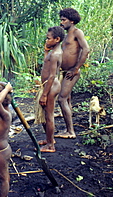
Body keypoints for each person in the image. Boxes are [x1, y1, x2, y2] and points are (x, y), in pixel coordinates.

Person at [55, 8, 90, 139]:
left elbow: (86, 49)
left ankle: (70, 131)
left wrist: (76, 68)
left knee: (62, 99)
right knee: (67, 99)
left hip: (71, 72)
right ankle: (67, 128)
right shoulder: (65, 36)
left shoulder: (77, 32)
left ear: (72, 21)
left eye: (64, 20)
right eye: (61, 19)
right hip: (64, 72)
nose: (61, 22)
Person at [35, 26, 64, 152]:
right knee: (44, 114)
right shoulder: (52, 53)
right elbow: (46, 63)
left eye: (48, 38)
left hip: (51, 87)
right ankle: (48, 139)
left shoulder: (56, 54)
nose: (46, 40)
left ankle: (51, 145)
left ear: (57, 39)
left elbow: (52, 75)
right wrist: (46, 51)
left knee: (49, 116)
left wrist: (44, 94)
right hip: (48, 86)